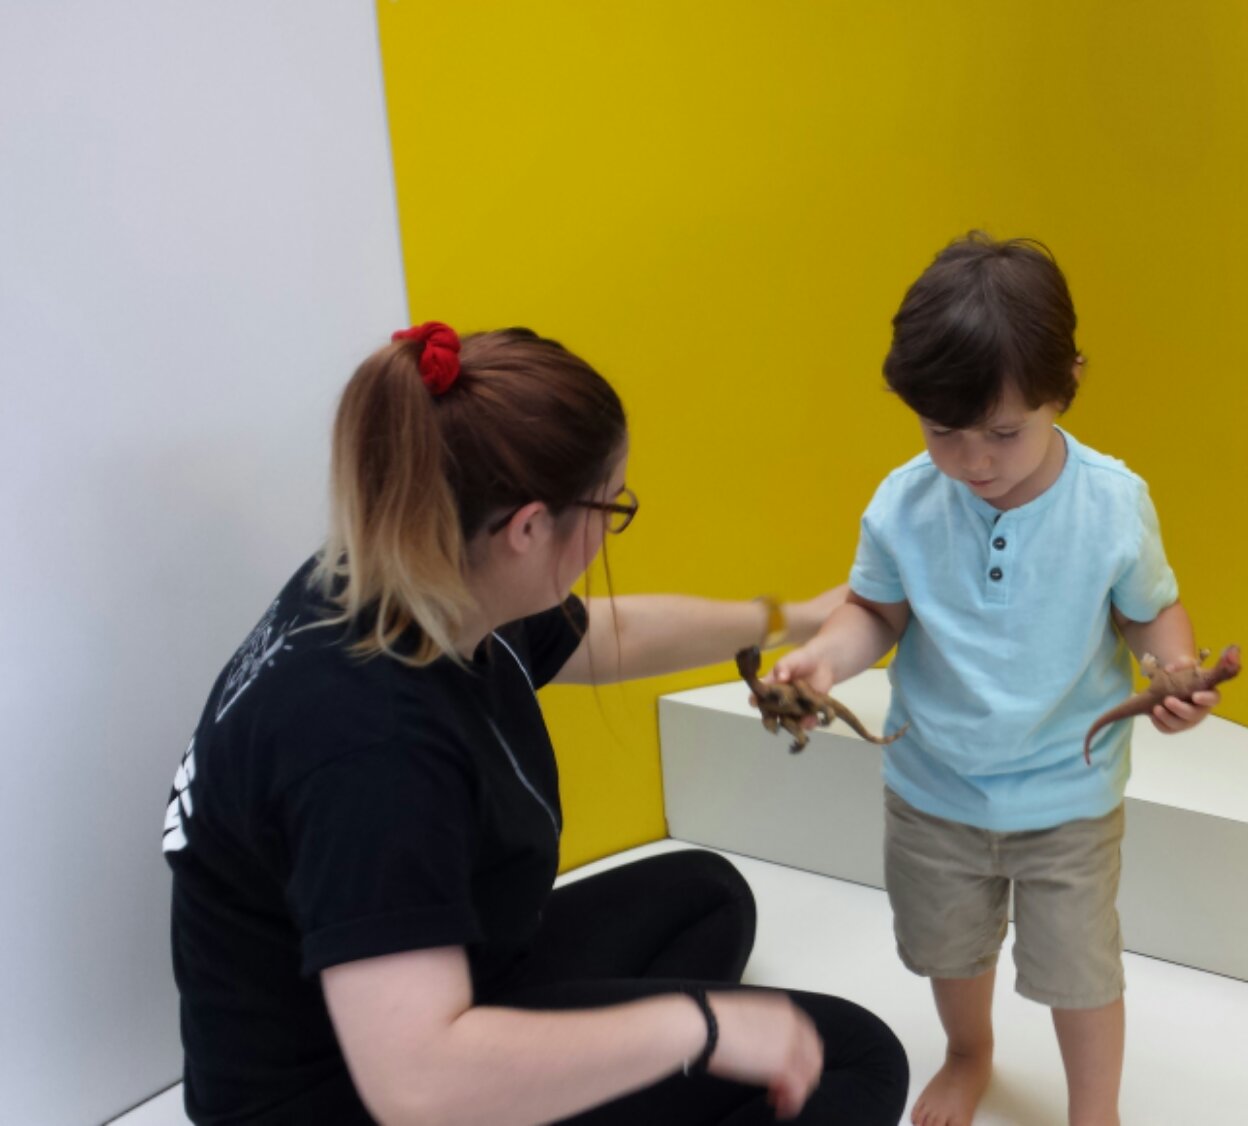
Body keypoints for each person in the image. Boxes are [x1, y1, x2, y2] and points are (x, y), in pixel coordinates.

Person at [163, 323, 909, 1123]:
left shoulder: (410, 567)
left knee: (707, 897)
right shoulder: (369, 745)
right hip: (352, 1092)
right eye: (610, 505)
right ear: (525, 528)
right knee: (854, 1058)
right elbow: (417, 1086)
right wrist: (698, 1028)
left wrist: (794, 618)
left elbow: (605, 634)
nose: (611, 525)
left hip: (425, 982)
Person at [768, 234, 1223, 1126]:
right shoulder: (904, 502)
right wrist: (825, 658)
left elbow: (1150, 610)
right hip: (934, 788)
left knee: (1080, 971)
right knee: (950, 951)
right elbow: (877, 613)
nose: (975, 460)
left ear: (1066, 386)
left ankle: (1096, 1110)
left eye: (1004, 433)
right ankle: (968, 1052)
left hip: (1068, 794)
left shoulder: (1111, 502)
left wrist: (1173, 670)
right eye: (944, 432)